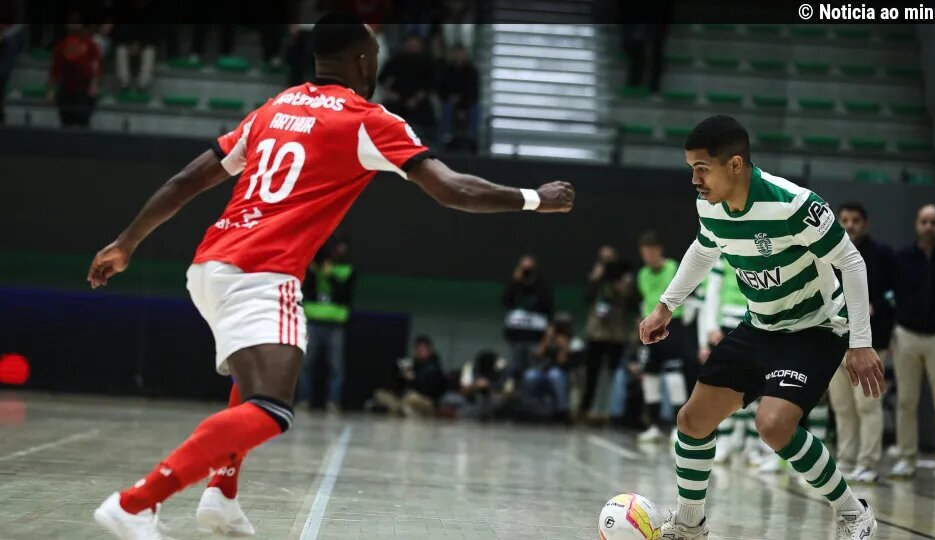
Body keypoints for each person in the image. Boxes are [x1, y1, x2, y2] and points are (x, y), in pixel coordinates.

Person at [86, 14, 574, 539]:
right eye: (376, 57)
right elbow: (453, 189)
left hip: (211, 264)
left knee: (253, 384)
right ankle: (136, 502)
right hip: (262, 272)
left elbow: (187, 180)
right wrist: (534, 199)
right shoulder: (369, 120)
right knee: (271, 407)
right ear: (363, 61)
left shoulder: (275, 107)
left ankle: (221, 495)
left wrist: (127, 242)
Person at [641, 115, 883, 539]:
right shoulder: (709, 205)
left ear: (735, 164)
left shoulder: (795, 204)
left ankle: (853, 513)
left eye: (702, 168)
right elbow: (704, 249)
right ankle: (690, 524)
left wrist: (860, 342)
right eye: (691, 169)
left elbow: (851, 261)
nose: (695, 180)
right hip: (759, 326)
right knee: (692, 421)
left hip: (814, 328)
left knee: (773, 426)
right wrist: (666, 306)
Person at [888, 204, 935, 482]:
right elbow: (889, 296)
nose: (929, 227)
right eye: (924, 222)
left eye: (934, 222)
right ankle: (906, 459)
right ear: (917, 224)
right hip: (906, 335)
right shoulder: (901, 258)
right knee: (906, 401)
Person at [826, 203, 895, 483]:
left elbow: (893, 297)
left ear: (865, 223)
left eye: (855, 220)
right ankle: (846, 459)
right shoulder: (828, 254)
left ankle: (868, 462)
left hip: (869, 344)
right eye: (844, 220)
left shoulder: (881, 255)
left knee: (867, 405)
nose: (850, 225)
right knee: (842, 406)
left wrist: (876, 308)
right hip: (835, 342)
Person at [635, 231, 689, 443]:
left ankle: (679, 427)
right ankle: (654, 425)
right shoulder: (642, 274)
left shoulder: (673, 268)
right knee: (650, 377)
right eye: (644, 253)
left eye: (651, 251)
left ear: (659, 250)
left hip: (672, 325)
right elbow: (643, 301)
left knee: (674, 376)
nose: (648, 256)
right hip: (649, 326)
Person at [696, 258, 752, 464]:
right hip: (727, 325)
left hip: (756, 325)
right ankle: (725, 440)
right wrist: (711, 327)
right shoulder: (723, 256)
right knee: (724, 388)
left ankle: (751, 443)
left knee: (754, 388)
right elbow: (712, 293)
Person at [297, 235, 356, 412]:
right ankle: (303, 400)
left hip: (336, 324)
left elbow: (344, 295)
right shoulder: (313, 268)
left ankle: (333, 402)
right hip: (313, 321)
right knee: (306, 364)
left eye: (343, 248)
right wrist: (316, 272)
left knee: (335, 367)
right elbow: (306, 291)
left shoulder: (348, 270)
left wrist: (330, 276)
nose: (339, 251)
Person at [580, 246, 634, 420]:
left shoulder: (625, 278)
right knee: (591, 374)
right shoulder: (596, 277)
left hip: (616, 334)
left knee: (614, 374)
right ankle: (585, 410)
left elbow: (633, 303)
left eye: (610, 259)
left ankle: (611, 412)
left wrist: (623, 288)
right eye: (603, 259)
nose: (607, 263)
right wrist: (595, 279)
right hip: (596, 333)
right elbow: (586, 297)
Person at [372, 335, 447, 417]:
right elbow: (400, 386)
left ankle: (401, 410)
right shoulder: (412, 364)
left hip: (426, 400)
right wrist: (400, 376)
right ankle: (399, 409)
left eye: (422, 349)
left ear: (430, 350)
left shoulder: (435, 367)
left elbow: (429, 390)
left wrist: (412, 378)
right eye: (417, 349)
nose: (419, 352)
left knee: (411, 398)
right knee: (380, 394)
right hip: (405, 396)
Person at [501, 255, 554, 372]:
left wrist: (544, 343)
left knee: (532, 374)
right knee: (514, 371)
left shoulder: (543, 289)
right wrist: (515, 281)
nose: (525, 273)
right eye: (523, 269)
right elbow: (505, 301)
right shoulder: (514, 286)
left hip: (535, 340)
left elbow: (550, 317)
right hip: (515, 339)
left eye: (528, 270)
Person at [47, 19, 100, 128]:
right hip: (66, 89)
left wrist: (93, 85)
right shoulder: (61, 46)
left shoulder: (91, 45)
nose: (73, 27)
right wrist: (51, 91)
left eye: (76, 24)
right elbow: (55, 70)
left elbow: (95, 66)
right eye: (71, 24)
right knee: (66, 123)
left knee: (83, 124)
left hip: (84, 90)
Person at [378, 33, 436, 129]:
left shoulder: (427, 62)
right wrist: (390, 93)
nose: (412, 48)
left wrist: (417, 98)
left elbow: (430, 85)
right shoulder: (397, 60)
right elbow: (382, 78)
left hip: (418, 100)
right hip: (397, 99)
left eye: (415, 46)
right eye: (410, 45)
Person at [436, 43, 478, 150]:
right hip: (450, 102)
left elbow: (473, 92)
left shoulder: (472, 71)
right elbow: (441, 89)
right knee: (446, 108)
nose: (459, 57)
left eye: (461, 54)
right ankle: (446, 137)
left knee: (476, 109)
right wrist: (449, 98)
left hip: (467, 102)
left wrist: (462, 104)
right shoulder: (446, 70)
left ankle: (472, 138)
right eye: (457, 54)